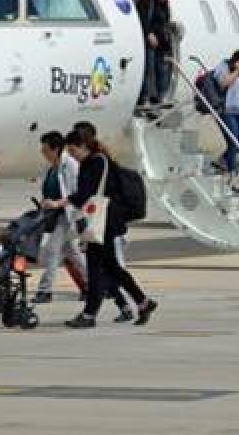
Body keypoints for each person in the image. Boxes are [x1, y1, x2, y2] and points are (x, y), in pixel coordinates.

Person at [43, 129, 157, 328]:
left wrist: (58, 203)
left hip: (104, 222)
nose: (72, 155)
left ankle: (90, 315)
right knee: (110, 267)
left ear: (84, 146)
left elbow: (85, 194)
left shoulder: (96, 162)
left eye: (73, 150)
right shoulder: (96, 161)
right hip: (104, 221)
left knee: (98, 269)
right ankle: (141, 302)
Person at [33, 131, 88, 304]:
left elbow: (76, 193)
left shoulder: (69, 164)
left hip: (67, 214)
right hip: (56, 215)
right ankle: (96, 286)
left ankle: (45, 290)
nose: (43, 154)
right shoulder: (52, 168)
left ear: (56, 149)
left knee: (51, 249)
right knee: (73, 254)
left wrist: (57, 203)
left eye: (45, 150)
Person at [137, 0, 177, 107]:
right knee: (148, 70)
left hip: (161, 42)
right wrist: (148, 33)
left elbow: (164, 20)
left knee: (162, 70)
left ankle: (161, 96)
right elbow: (141, 18)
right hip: (149, 41)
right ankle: (145, 98)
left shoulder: (164, 3)